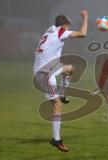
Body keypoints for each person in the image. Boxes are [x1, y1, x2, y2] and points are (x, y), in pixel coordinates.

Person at [33, 10, 88, 152]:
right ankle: (56, 140)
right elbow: (82, 33)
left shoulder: (49, 31)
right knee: (57, 105)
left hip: (50, 67)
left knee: (71, 69)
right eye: (67, 27)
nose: (68, 31)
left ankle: (62, 93)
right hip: (44, 73)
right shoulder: (60, 31)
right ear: (64, 25)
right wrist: (85, 18)